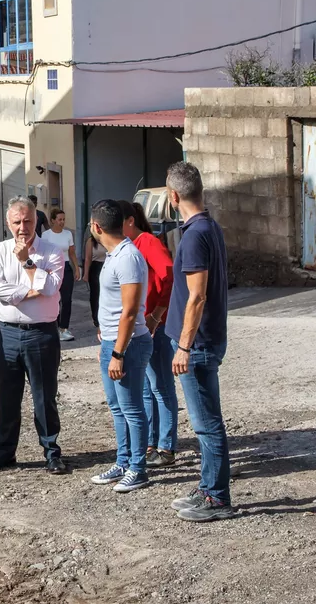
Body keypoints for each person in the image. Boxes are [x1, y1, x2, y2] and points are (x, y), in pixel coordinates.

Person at [163, 162, 234, 522]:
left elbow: (197, 296)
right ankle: (208, 486)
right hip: (206, 341)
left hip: (199, 345)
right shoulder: (209, 227)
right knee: (205, 421)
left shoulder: (193, 236)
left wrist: (184, 346)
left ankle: (218, 498)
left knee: (207, 423)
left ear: (173, 196)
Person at [0, 197, 69, 475]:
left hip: (41, 334)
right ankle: (5, 453)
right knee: (7, 396)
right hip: (6, 334)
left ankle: (51, 452)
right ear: (8, 223)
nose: (23, 227)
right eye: (17, 222)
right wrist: (29, 291)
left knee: (44, 396)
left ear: (37, 220)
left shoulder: (53, 251)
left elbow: (52, 288)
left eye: (28, 221)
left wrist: (27, 263)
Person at [88, 199, 153, 493]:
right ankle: (123, 461)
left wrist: (118, 353)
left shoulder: (128, 257)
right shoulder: (114, 255)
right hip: (113, 342)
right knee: (117, 407)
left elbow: (129, 310)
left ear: (96, 227)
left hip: (127, 345)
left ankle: (138, 468)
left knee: (132, 408)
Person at [119, 201, 177, 469]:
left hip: (156, 325)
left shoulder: (148, 243)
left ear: (130, 221)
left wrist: (157, 314)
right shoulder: (129, 247)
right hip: (141, 326)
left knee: (161, 386)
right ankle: (151, 443)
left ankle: (166, 446)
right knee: (146, 388)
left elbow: (168, 274)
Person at [41, 208, 81, 342]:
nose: (62, 222)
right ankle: (54, 326)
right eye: (59, 219)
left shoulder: (68, 234)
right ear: (53, 220)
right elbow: (43, 254)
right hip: (52, 269)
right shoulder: (46, 235)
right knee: (54, 298)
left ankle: (64, 328)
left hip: (66, 267)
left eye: (63, 219)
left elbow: (72, 252)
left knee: (67, 299)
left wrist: (76, 268)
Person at [83, 230, 107, 328]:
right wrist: (86, 274)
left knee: (106, 294)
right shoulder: (91, 241)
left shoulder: (107, 239)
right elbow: (88, 258)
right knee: (96, 294)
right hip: (95, 267)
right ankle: (96, 317)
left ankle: (104, 316)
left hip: (106, 266)